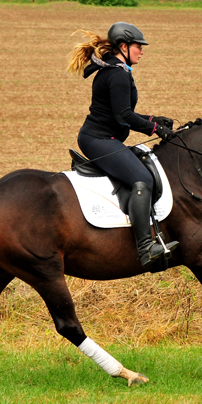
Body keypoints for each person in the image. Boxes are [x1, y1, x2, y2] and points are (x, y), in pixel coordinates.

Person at [67, 22, 178, 268]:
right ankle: (146, 247)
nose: (142, 51)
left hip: (105, 137)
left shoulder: (118, 70)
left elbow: (123, 112)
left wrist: (153, 120)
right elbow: (124, 116)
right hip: (98, 140)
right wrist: (156, 129)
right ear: (124, 47)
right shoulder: (116, 74)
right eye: (139, 47)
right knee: (143, 180)